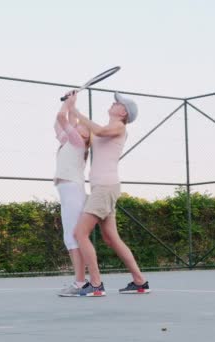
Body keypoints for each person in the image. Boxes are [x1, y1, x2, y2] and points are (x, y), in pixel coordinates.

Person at [64, 91, 150, 297]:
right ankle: (140, 281)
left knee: (79, 233)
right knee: (111, 238)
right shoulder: (105, 128)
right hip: (103, 188)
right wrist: (71, 107)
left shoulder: (117, 127)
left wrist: (75, 110)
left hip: (104, 188)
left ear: (123, 112)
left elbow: (100, 131)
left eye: (117, 103)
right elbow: (83, 129)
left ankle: (95, 284)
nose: (114, 103)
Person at [53, 94, 91, 297]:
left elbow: (63, 119)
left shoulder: (78, 143)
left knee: (73, 236)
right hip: (67, 191)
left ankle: (80, 282)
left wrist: (68, 105)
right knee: (71, 236)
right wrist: (72, 103)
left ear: (87, 136)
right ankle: (81, 281)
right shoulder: (69, 141)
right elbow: (59, 123)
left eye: (85, 126)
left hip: (72, 191)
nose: (80, 126)